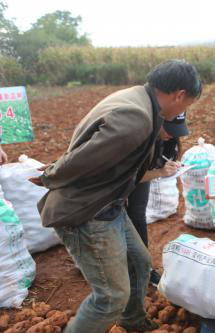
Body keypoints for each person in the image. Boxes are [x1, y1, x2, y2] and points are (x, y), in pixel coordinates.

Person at [30, 59, 202, 333]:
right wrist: (50, 175)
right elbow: (84, 160)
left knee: (139, 261)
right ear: (179, 95)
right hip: (88, 212)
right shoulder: (136, 118)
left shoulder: (138, 99)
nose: (183, 110)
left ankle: (133, 321)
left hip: (110, 205)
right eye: (186, 104)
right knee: (110, 297)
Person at [126, 113, 188, 286]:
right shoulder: (139, 135)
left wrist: (167, 166)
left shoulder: (169, 138)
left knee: (137, 215)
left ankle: (144, 268)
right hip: (117, 180)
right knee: (118, 219)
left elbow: (153, 166)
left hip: (139, 176)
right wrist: (160, 173)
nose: (172, 134)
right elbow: (130, 175)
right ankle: (123, 269)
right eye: (169, 129)